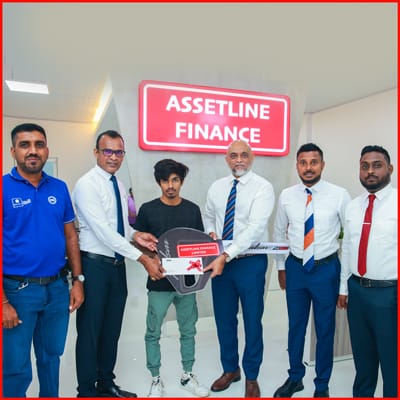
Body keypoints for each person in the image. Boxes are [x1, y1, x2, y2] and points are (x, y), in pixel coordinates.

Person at [72, 130, 163, 398]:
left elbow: (119, 227)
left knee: (111, 330)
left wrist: (136, 235)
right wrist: (143, 258)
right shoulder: (87, 185)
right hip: (94, 267)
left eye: (119, 152)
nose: (113, 157)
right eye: (108, 151)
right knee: (90, 332)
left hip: (116, 267)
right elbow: (103, 231)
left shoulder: (119, 185)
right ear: (96, 153)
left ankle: (106, 384)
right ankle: (86, 391)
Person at [2, 123, 84, 397]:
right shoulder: (3, 187)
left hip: (57, 289)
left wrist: (78, 281)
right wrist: (2, 302)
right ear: (13, 151)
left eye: (39, 144)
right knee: (15, 366)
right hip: (18, 292)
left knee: (51, 358)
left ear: (46, 150)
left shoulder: (59, 188)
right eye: (25, 145)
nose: (33, 151)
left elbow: (70, 237)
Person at [273, 143, 351, 398]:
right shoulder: (286, 195)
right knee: (296, 326)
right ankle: (295, 377)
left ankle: (322, 385)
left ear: (322, 165)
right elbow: (279, 233)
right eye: (303, 162)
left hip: (326, 270)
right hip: (296, 268)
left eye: (313, 162)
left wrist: (343, 284)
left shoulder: (339, 195)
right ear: (297, 165)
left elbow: (349, 240)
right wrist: (281, 267)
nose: (308, 167)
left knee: (325, 329)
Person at [203, 140, 275, 398]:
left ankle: (252, 376)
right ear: (227, 159)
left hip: (250, 263)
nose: (239, 160)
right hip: (221, 263)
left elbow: (255, 228)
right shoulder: (217, 187)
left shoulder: (263, 187)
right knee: (224, 319)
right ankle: (230, 369)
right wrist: (211, 233)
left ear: (251, 158)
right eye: (233, 155)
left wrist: (226, 254)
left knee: (252, 320)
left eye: (244, 155)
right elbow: (208, 215)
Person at [133, 159, 209, 398]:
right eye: (165, 180)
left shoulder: (192, 210)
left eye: (175, 180)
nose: (170, 185)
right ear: (159, 182)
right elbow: (138, 243)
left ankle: (187, 375)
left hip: (186, 282)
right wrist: (150, 259)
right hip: (159, 281)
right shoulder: (147, 209)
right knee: (153, 331)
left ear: (181, 181)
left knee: (188, 330)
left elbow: (199, 245)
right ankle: (155, 378)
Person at [337, 145, 397, 398]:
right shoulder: (353, 206)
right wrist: (343, 288)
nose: (370, 171)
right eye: (365, 166)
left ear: (390, 169)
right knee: (363, 359)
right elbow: (348, 249)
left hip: (389, 295)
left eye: (377, 165)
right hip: (357, 292)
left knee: (393, 362)